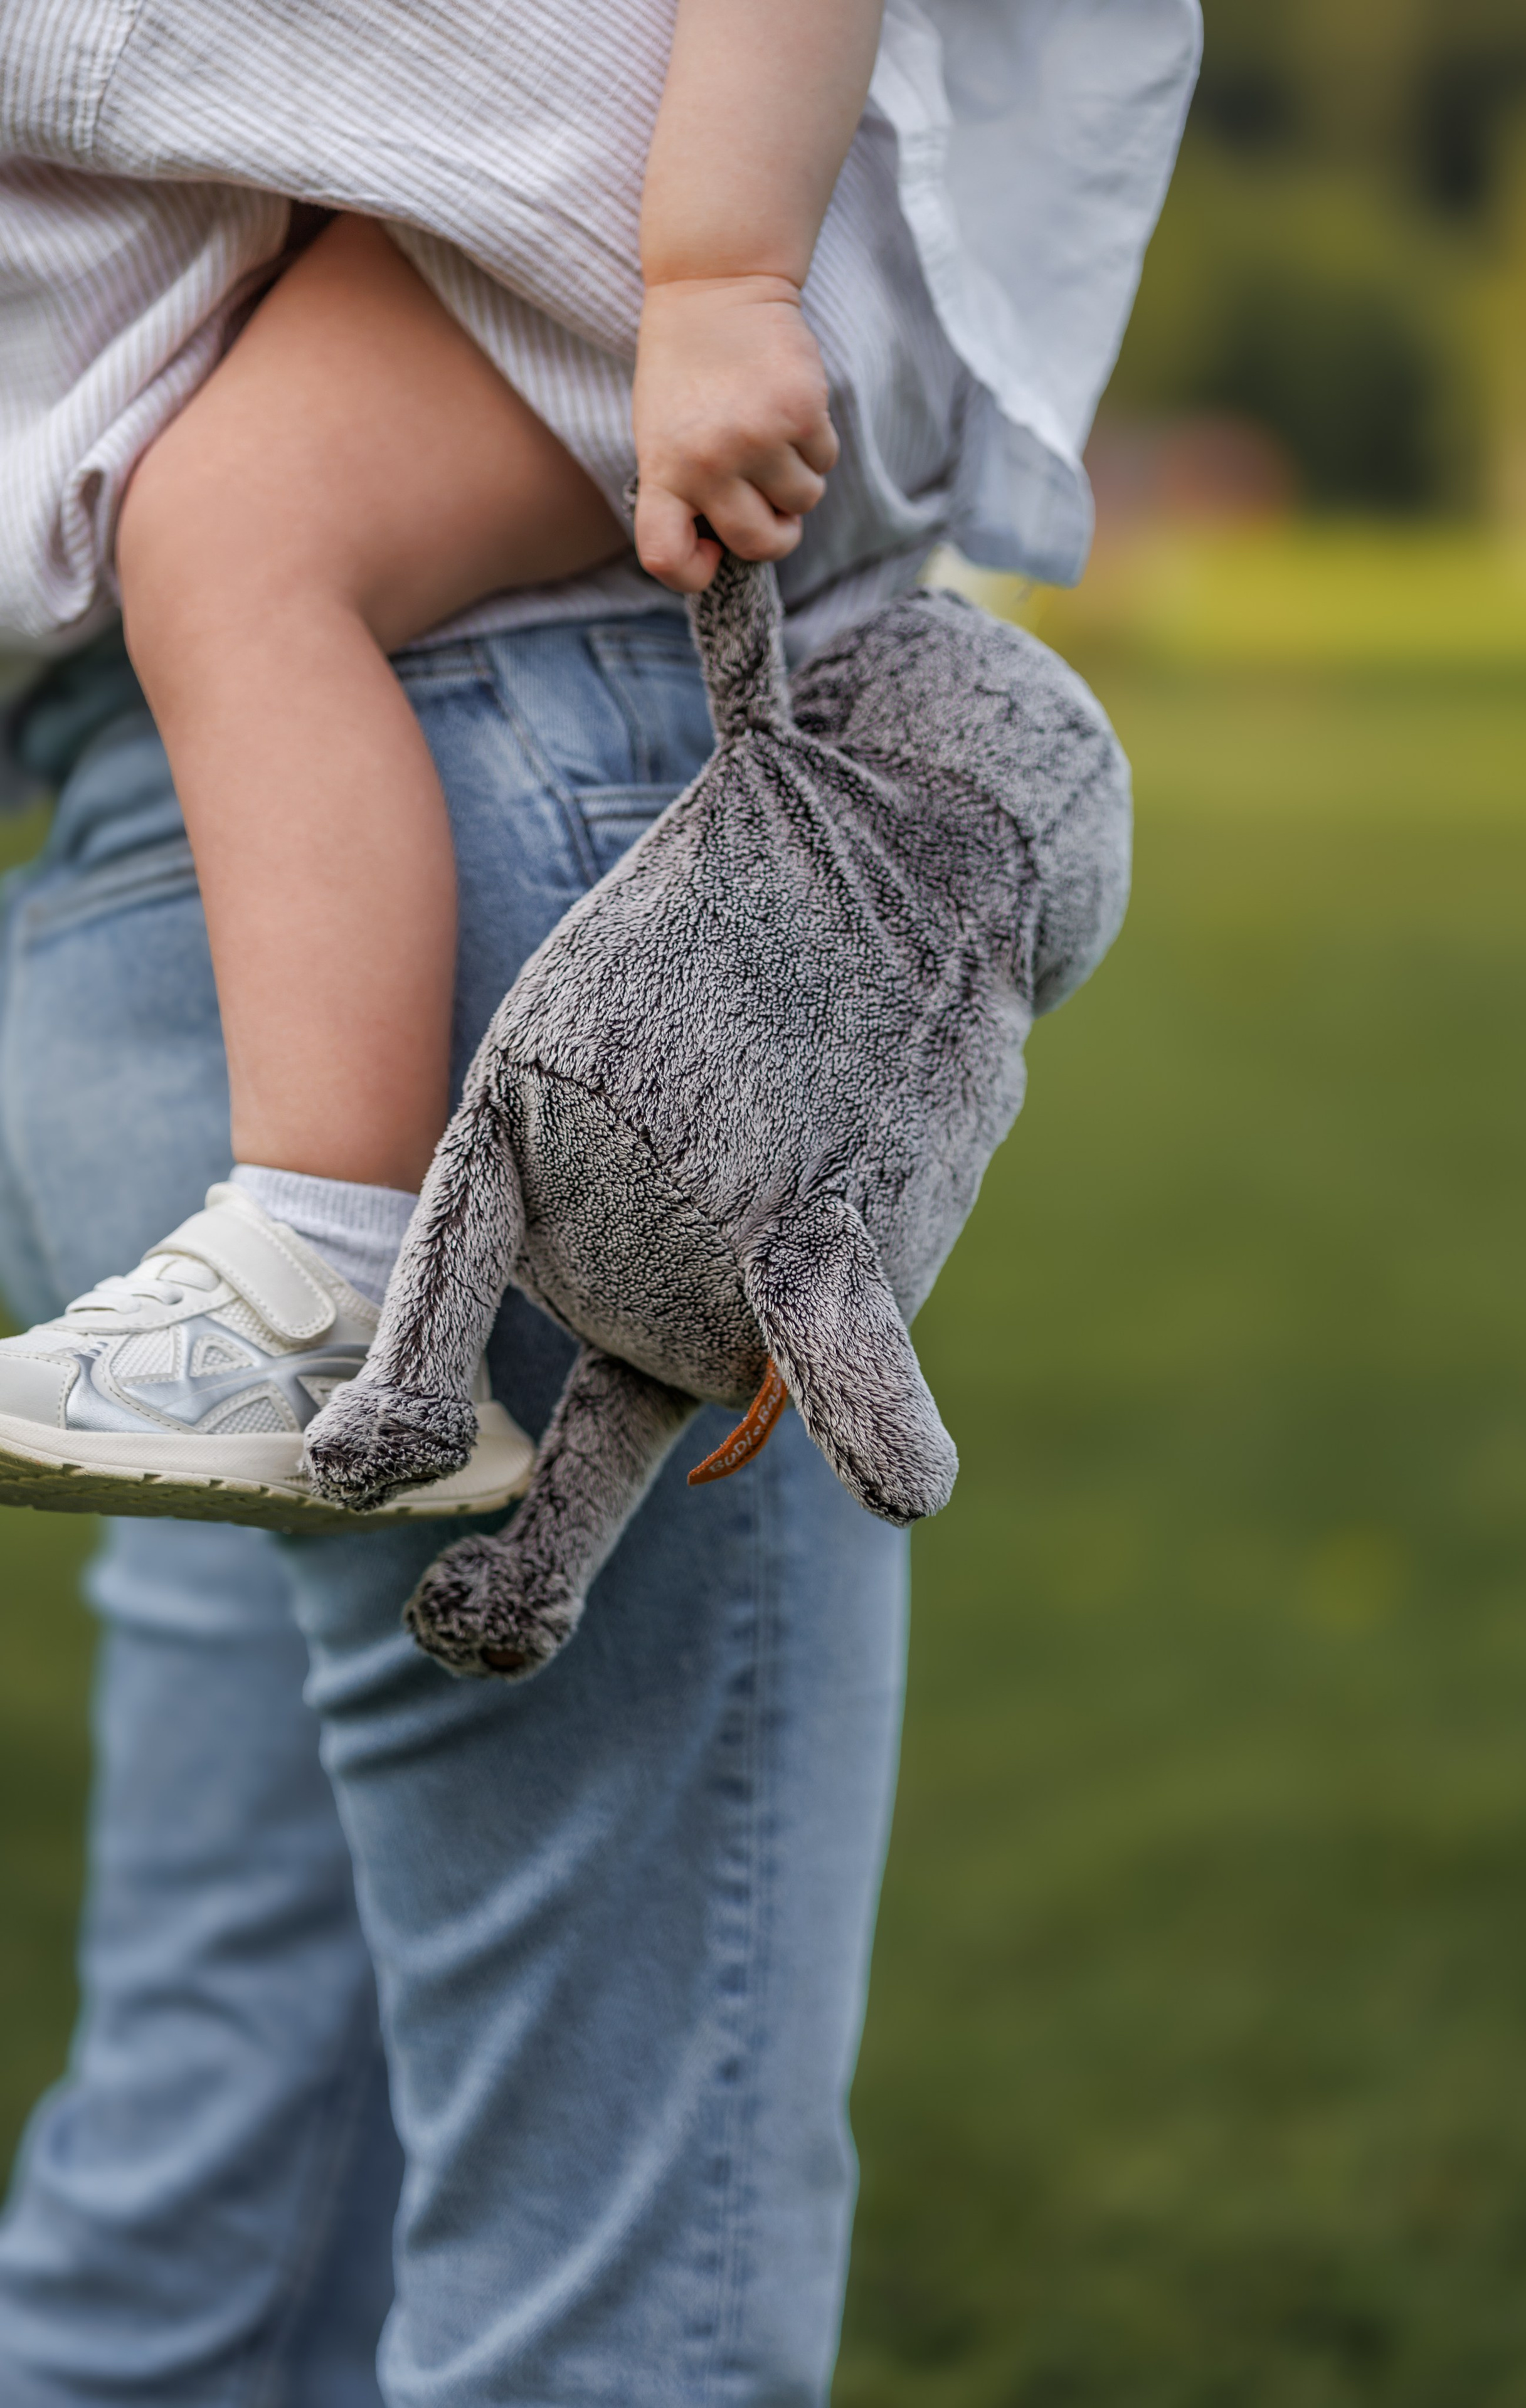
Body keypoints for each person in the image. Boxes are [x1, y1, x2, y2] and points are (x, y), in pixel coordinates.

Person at [0, 2, 1200, 2398]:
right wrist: (725, 269)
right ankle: (330, 1270)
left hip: (145, 887)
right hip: (515, 830)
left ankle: (308, 1278)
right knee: (607, 2275)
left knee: (207, 2167)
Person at [0, 0, 878, 1522]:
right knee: (221, 1648)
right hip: (373, 270)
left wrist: (723, 276)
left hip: (606, 216)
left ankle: (337, 1278)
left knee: (233, 532)